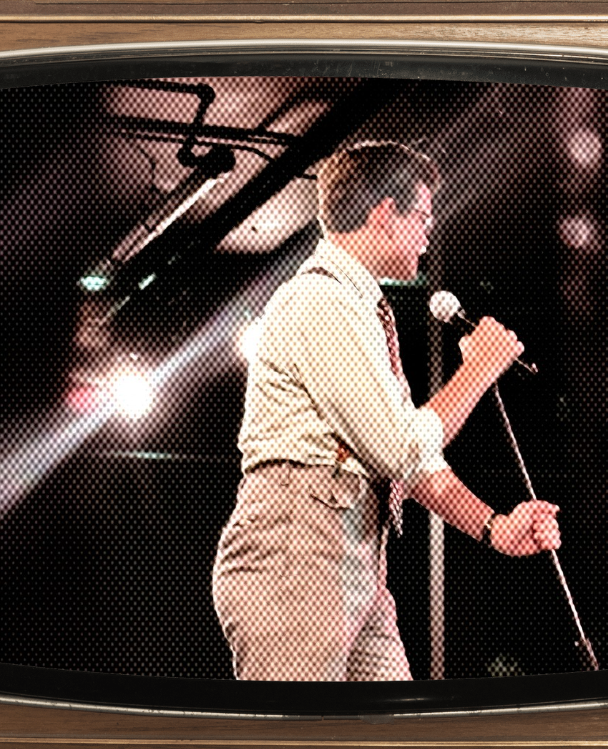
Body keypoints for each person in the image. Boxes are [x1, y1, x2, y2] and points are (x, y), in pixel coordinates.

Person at [212, 141, 560, 681]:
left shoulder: (359, 309)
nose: (428, 230)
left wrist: (494, 527)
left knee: (394, 722)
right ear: (383, 214)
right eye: (421, 215)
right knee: (298, 728)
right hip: (296, 557)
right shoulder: (320, 301)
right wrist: (478, 370)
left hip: (357, 563)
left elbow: (412, 460)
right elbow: (398, 449)